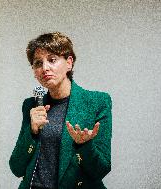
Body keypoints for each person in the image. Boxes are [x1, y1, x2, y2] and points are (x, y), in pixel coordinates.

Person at [9, 32, 112, 189]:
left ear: (69, 63)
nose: (45, 68)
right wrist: (31, 132)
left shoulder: (97, 102)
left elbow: (101, 170)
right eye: (38, 63)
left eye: (52, 60)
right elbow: (16, 167)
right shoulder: (31, 105)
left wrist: (84, 145)